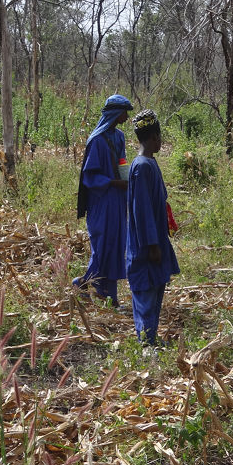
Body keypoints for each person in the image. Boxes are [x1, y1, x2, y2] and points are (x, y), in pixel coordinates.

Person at [125, 110, 180, 345]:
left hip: (156, 238)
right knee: (145, 294)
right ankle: (145, 343)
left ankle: (151, 338)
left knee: (156, 289)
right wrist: (152, 244)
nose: (160, 141)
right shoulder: (142, 167)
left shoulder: (149, 164)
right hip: (146, 246)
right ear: (153, 137)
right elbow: (142, 210)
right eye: (159, 137)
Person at [74, 94, 134, 307]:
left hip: (118, 200)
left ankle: (110, 296)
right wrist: (112, 182)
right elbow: (90, 176)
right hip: (101, 201)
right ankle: (81, 283)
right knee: (103, 246)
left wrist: (127, 179)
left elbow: (121, 161)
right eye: (125, 112)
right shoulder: (97, 140)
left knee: (117, 244)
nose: (127, 117)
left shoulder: (119, 137)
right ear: (115, 113)